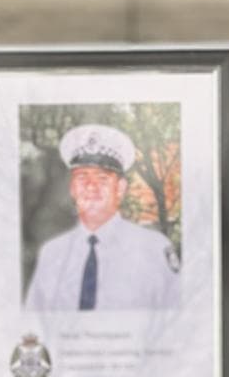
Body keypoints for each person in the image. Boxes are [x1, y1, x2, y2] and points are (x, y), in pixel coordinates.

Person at [24, 124, 179, 312]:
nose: (91, 187)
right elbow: (32, 324)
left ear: (120, 188)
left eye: (102, 179)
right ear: (72, 188)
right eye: (82, 178)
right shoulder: (52, 254)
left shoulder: (154, 249)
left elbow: (178, 324)